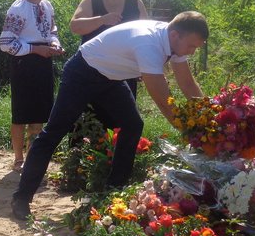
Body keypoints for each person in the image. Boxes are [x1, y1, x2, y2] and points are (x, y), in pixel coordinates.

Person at [11, 11, 209, 221]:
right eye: (191, 46)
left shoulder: (173, 40)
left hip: (111, 78)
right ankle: (22, 198)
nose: (192, 52)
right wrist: (191, 132)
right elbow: (163, 101)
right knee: (54, 132)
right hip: (83, 72)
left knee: (132, 125)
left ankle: (113, 190)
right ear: (176, 35)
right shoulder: (149, 44)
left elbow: (187, 83)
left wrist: (208, 115)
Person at [0, 0, 64, 172]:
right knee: (21, 113)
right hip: (24, 63)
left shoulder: (47, 6)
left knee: (39, 113)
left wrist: (54, 44)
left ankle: (33, 157)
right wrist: (36, 49)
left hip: (43, 63)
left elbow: (51, 31)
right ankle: (18, 158)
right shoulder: (18, 9)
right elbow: (6, 43)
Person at [69, 0, 148, 97]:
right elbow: (75, 26)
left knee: (123, 116)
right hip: (93, 69)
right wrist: (102, 20)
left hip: (124, 70)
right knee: (93, 117)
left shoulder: (135, 3)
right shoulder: (92, 0)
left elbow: (147, 37)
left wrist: (142, 65)